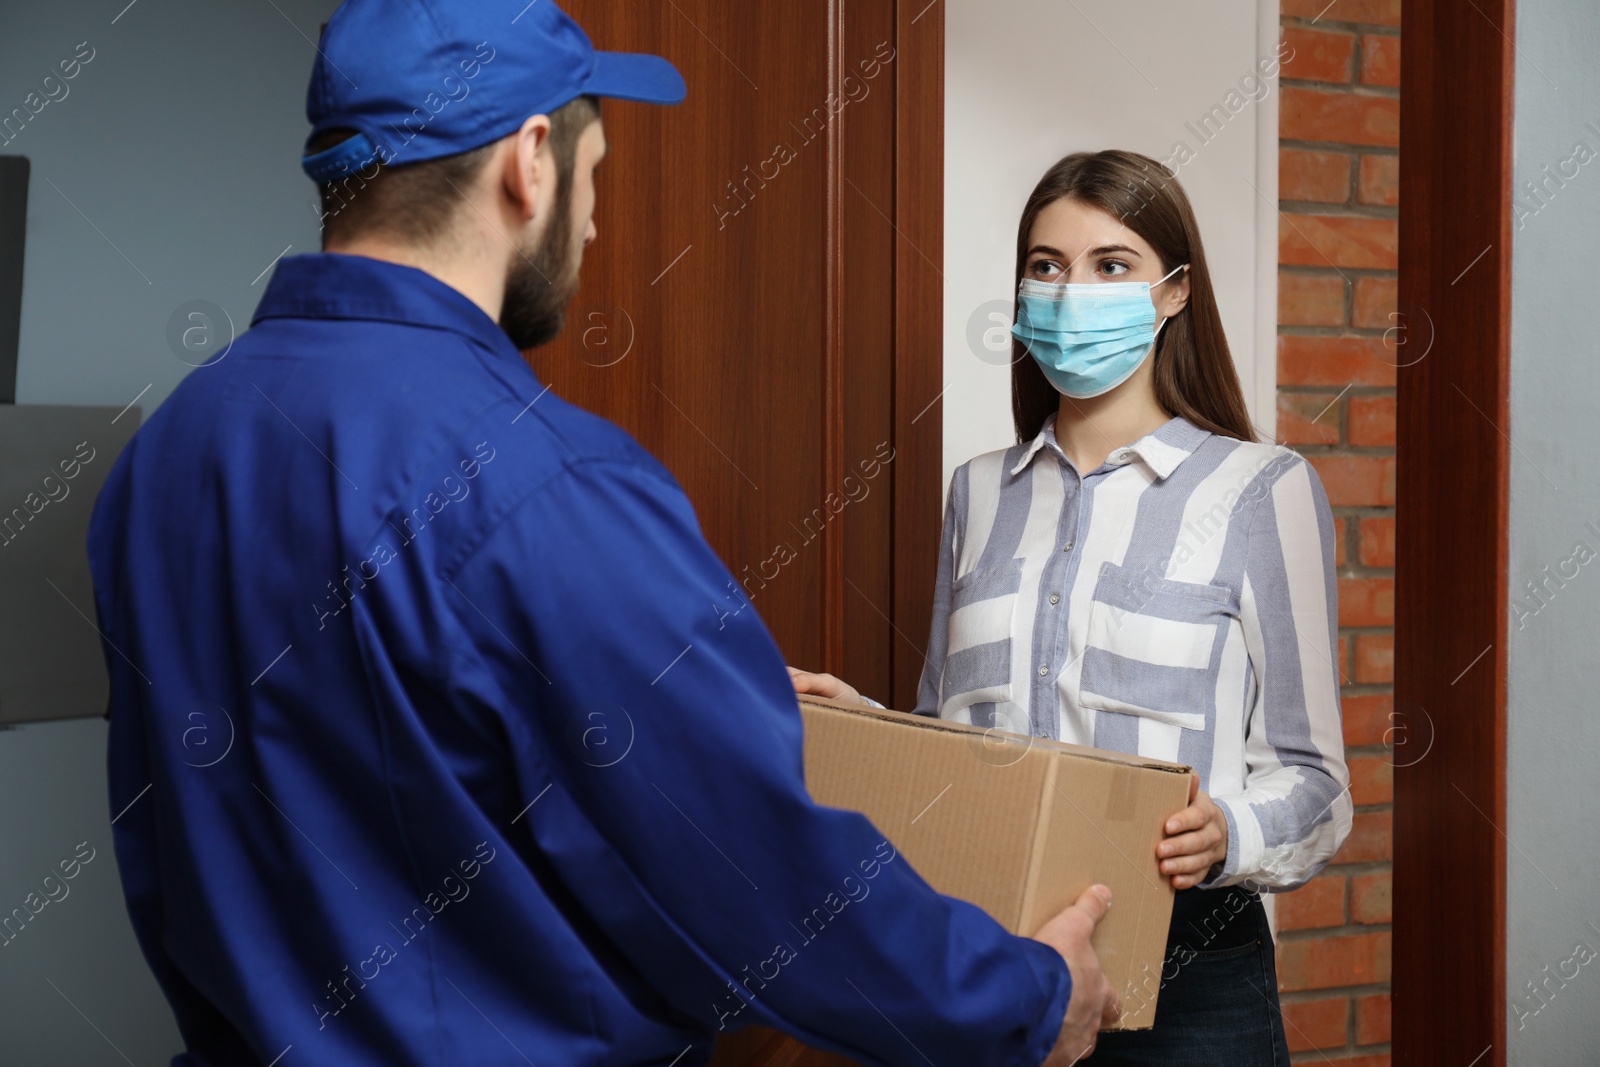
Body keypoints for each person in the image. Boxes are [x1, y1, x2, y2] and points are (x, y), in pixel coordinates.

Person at [87, 2, 1122, 1065]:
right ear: (531, 161)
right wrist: (1025, 996)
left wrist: (706, 692)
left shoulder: (166, 454)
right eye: (596, 175)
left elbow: (339, 746)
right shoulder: (539, 477)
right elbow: (758, 887)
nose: (591, 221)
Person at [792, 149, 1351, 1064]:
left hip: (1191, 972)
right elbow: (953, 741)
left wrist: (1225, 833)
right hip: (996, 956)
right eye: (1047, 266)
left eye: (1111, 265)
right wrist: (870, 731)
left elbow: (1319, 784)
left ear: (1173, 292)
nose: (1070, 292)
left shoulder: (1264, 489)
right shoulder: (978, 492)